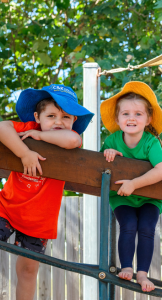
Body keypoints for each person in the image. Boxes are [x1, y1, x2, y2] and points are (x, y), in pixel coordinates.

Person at [0, 84, 93, 300]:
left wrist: (39, 137)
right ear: (37, 117)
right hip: (6, 208)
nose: (59, 122)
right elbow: (2, 127)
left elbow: (74, 140)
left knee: (28, 271)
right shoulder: (28, 128)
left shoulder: (65, 140)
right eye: (51, 116)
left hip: (39, 222)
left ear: (74, 122)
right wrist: (25, 153)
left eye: (66, 117)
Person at [100, 81, 162, 292]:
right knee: (128, 225)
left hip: (149, 197)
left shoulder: (150, 142)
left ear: (148, 119)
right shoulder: (112, 140)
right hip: (122, 196)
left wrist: (134, 183)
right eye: (126, 114)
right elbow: (101, 165)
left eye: (138, 114)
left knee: (147, 228)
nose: (132, 118)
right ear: (117, 119)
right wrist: (109, 154)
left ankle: (143, 273)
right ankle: (128, 267)